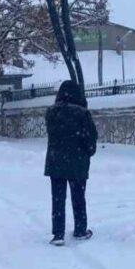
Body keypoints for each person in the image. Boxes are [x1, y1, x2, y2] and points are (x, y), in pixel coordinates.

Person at [44, 81, 98, 246]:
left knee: (58, 198)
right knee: (78, 197)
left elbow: (52, 135)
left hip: (56, 161)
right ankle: (80, 230)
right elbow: (90, 138)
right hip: (77, 162)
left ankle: (58, 234)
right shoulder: (82, 114)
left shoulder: (51, 113)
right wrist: (88, 151)